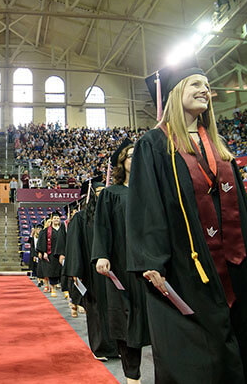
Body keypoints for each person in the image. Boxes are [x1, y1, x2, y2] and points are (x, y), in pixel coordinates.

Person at [126, 61, 247, 383]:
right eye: (195, 84)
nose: (205, 90)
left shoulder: (219, 147)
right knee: (199, 359)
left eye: (207, 85)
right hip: (189, 268)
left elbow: (243, 210)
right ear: (176, 94)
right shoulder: (154, 144)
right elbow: (147, 206)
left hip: (238, 265)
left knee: (244, 346)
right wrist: (151, 261)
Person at [93, 139, 150, 384]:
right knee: (128, 321)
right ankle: (132, 377)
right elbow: (103, 227)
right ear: (121, 163)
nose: (134, 159)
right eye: (129, 156)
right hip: (123, 265)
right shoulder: (111, 194)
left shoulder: (152, 192)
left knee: (158, 320)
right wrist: (102, 255)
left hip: (153, 265)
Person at [65, 177, 118, 360]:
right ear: (91, 196)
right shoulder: (81, 218)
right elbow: (74, 246)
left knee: (117, 308)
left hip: (115, 271)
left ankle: (118, 346)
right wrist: (76, 272)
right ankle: (100, 348)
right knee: (97, 310)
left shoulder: (114, 215)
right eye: (98, 192)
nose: (103, 195)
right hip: (93, 272)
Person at [37, 211, 67, 297]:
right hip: (51, 254)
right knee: (52, 272)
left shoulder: (63, 230)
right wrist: (44, 252)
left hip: (61, 254)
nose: (56, 219)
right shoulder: (46, 231)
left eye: (58, 218)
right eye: (54, 218)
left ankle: (65, 290)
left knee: (63, 272)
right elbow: (42, 242)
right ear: (51, 219)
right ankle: (53, 289)